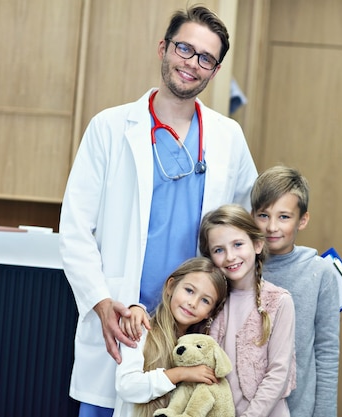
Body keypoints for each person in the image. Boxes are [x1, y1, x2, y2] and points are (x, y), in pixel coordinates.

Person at [57, 5, 258, 416]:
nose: (192, 64)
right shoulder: (109, 128)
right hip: (123, 323)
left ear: (215, 71)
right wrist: (101, 303)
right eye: (185, 48)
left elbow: (247, 228)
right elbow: (75, 229)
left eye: (206, 58)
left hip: (191, 327)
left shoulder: (228, 137)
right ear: (163, 48)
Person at [251, 165, 340, 417]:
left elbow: (326, 350)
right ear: (251, 215)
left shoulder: (320, 273)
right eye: (263, 215)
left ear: (303, 220)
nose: (272, 227)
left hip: (298, 408)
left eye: (284, 217)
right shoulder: (239, 266)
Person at [198, 204, 296, 416]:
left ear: (257, 244)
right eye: (219, 250)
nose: (230, 256)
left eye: (238, 244)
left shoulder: (279, 301)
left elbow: (278, 372)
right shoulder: (211, 303)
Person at [112, 257, 228, 417]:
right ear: (171, 286)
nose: (193, 303)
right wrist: (181, 373)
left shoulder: (199, 351)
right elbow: (126, 387)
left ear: (209, 313)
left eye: (205, 300)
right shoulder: (139, 327)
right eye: (189, 290)